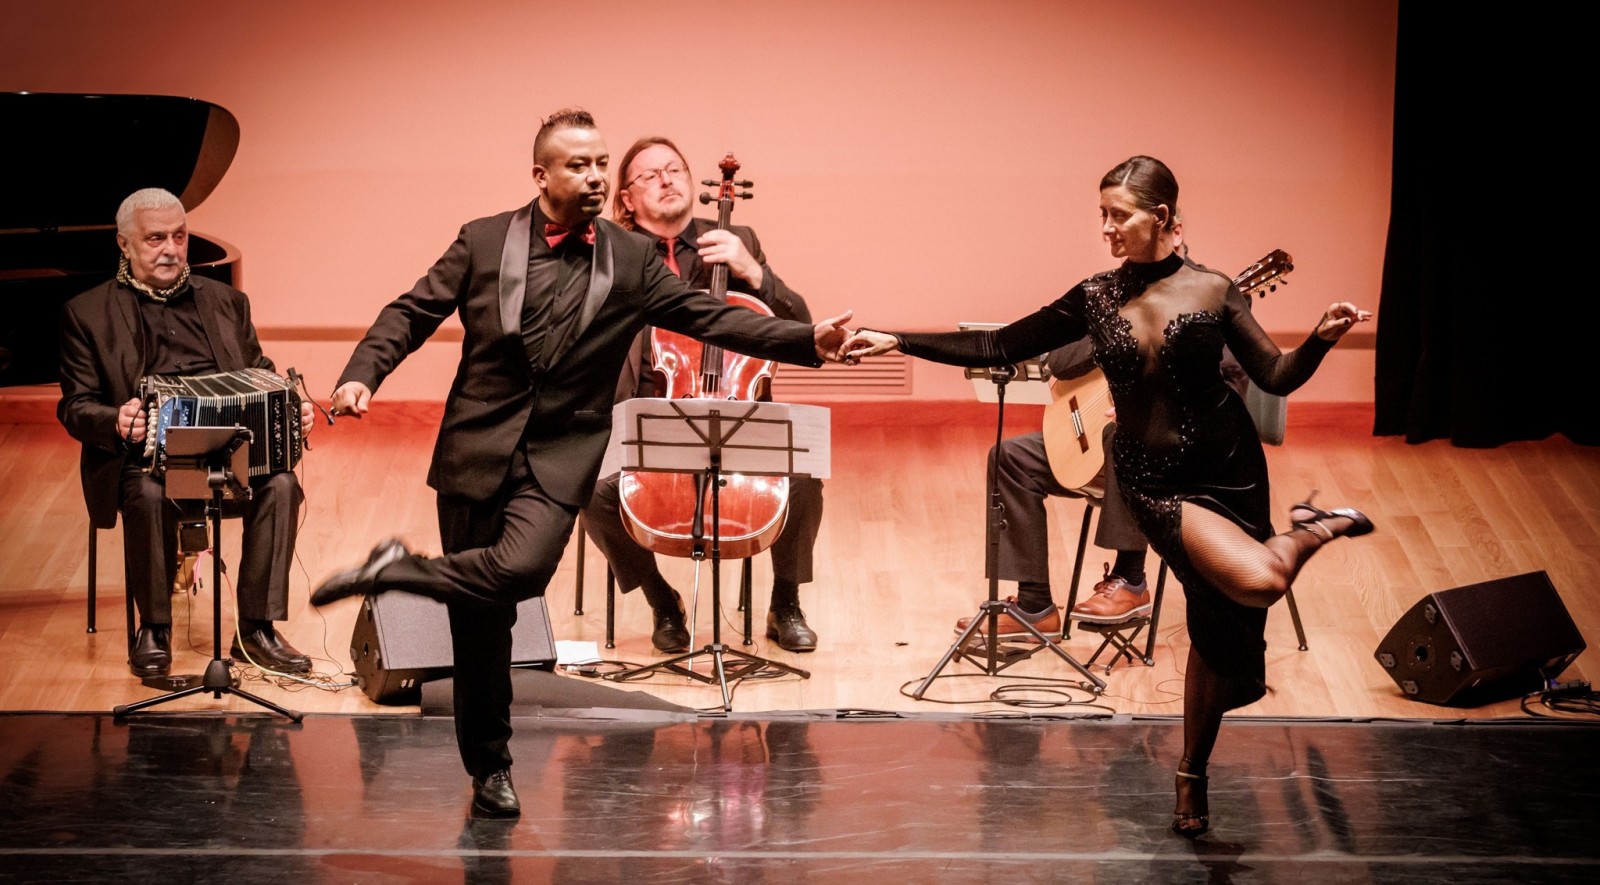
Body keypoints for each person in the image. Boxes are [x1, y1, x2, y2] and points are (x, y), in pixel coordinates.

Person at [310, 109, 852, 819]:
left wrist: (809, 339)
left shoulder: (629, 258)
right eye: (579, 165)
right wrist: (362, 374)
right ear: (541, 175)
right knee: (482, 621)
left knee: (522, 571)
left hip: (559, 457)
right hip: (475, 448)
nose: (595, 175)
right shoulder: (482, 240)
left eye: (601, 163)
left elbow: (713, 317)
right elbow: (410, 312)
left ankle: (396, 571)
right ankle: (491, 767)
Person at [844, 155, 1373, 838]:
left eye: (1118, 215)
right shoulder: (1094, 296)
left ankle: (1190, 775)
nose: (1106, 228)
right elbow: (1001, 341)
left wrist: (1324, 340)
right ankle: (1309, 528)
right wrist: (899, 338)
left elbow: (1275, 375)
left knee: (1217, 633)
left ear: (1163, 218)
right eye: (1102, 215)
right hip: (1154, 483)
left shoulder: (1214, 289)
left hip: (1231, 469)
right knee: (1261, 577)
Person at [57, 187, 315, 679]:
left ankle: (255, 630)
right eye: (155, 239)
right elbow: (74, 406)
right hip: (144, 461)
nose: (171, 249)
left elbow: (260, 370)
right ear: (124, 244)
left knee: (282, 485)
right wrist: (116, 419)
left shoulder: (227, 302)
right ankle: (154, 629)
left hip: (227, 458)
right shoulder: (86, 314)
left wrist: (289, 406)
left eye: (179, 236)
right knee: (149, 493)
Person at [582, 136, 824, 654]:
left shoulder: (737, 240)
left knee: (802, 480)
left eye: (675, 169)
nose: (667, 179)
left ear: (696, 185)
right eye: (650, 175)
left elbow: (801, 328)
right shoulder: (610, 253)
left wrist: (753, 271)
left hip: (734, 408)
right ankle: (662, 601)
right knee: (591, 491)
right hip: (641, 413)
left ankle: (785, 602)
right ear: (626, 198)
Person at [953, 337, 1153, 643]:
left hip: (1163, 452)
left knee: (1127, 438)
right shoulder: (1115, 297)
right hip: (1096, 435)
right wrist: (1118, 330)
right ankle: (1035, 606)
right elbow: (1061, 362)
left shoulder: (1205, 308)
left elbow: (1227, 385)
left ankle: (1131, 579)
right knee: (1010, 458)